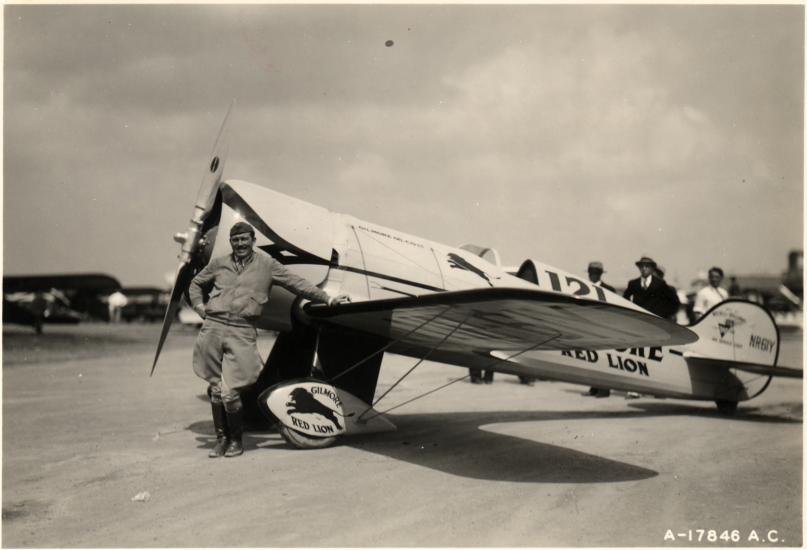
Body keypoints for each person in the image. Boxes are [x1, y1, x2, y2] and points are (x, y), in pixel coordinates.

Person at [189, 221, 350, 458]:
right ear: (231, 242)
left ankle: (236, 441)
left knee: (231, 391)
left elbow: (297, 283)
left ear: (253, 241)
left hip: (241, 330)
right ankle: (221, 440)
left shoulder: (267, 264)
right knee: (215, 389)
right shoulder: (219, 263)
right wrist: (200, 307)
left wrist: (326, 298)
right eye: (236, 240)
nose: (240, 244)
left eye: (245, 239)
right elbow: (195, 283)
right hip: (212, 327)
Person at [584, 261, 615, 398]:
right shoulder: (583, 288)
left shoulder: (609, 290)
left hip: (603, 328)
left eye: (596, 273)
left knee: (603, 359)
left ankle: (604, 389)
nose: (593, 275)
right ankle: (593, 387)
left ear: (600, 274)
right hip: (589, 328)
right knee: (591, 358)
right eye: (591, 273)